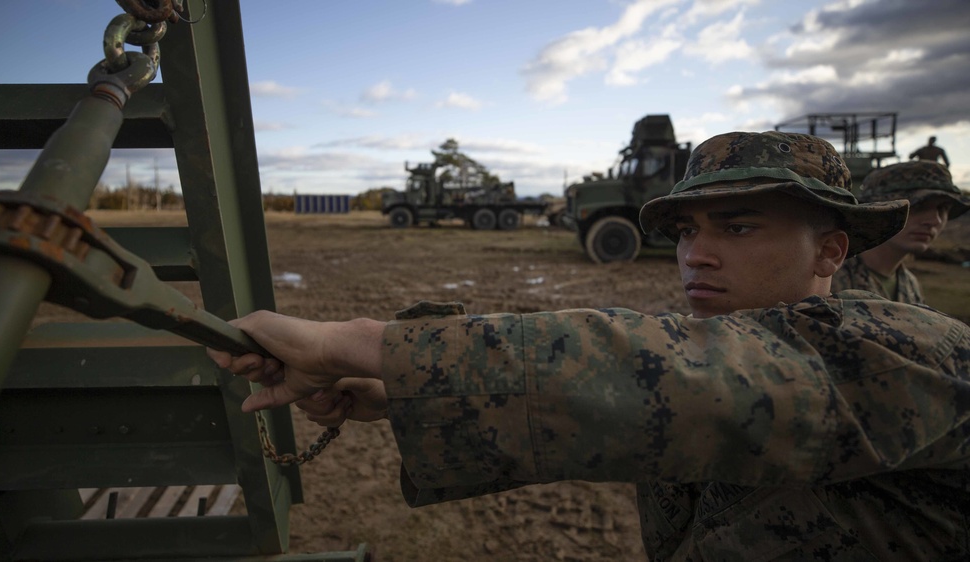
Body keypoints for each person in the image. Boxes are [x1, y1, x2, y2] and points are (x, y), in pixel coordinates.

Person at [208, 131, 970, 561]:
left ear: (831, 252)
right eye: (686, 232)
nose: (695, 256)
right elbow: (630, 414)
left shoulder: (902, 346)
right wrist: (401, 393)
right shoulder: (720, 353)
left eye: (737, 228)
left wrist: (360, 343)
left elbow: (665, 374)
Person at [832, 160, 969, 303]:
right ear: (876, 210)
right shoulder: (827, 278)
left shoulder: (910, 285)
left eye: (943, 208)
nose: (935, 220)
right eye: (918, 205)